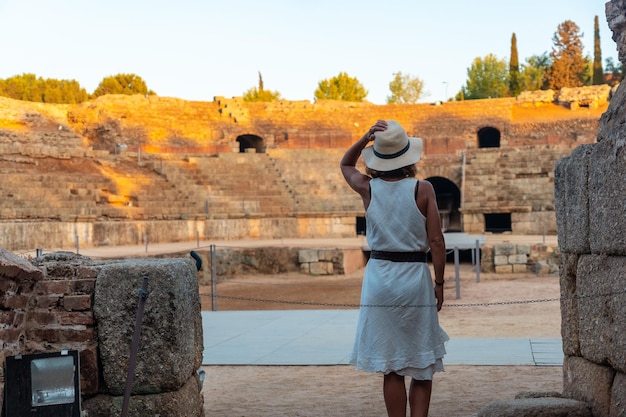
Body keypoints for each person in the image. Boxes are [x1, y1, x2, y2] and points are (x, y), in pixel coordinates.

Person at [340, 119, 448, 417]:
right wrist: (439, 282)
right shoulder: (422, 189)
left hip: (379, 278)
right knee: (421, 363)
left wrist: (365, 137)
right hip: (414, 278)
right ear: (407, 156)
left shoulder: (368, 188)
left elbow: (346, 164)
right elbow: (436, 241)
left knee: (391, 365)